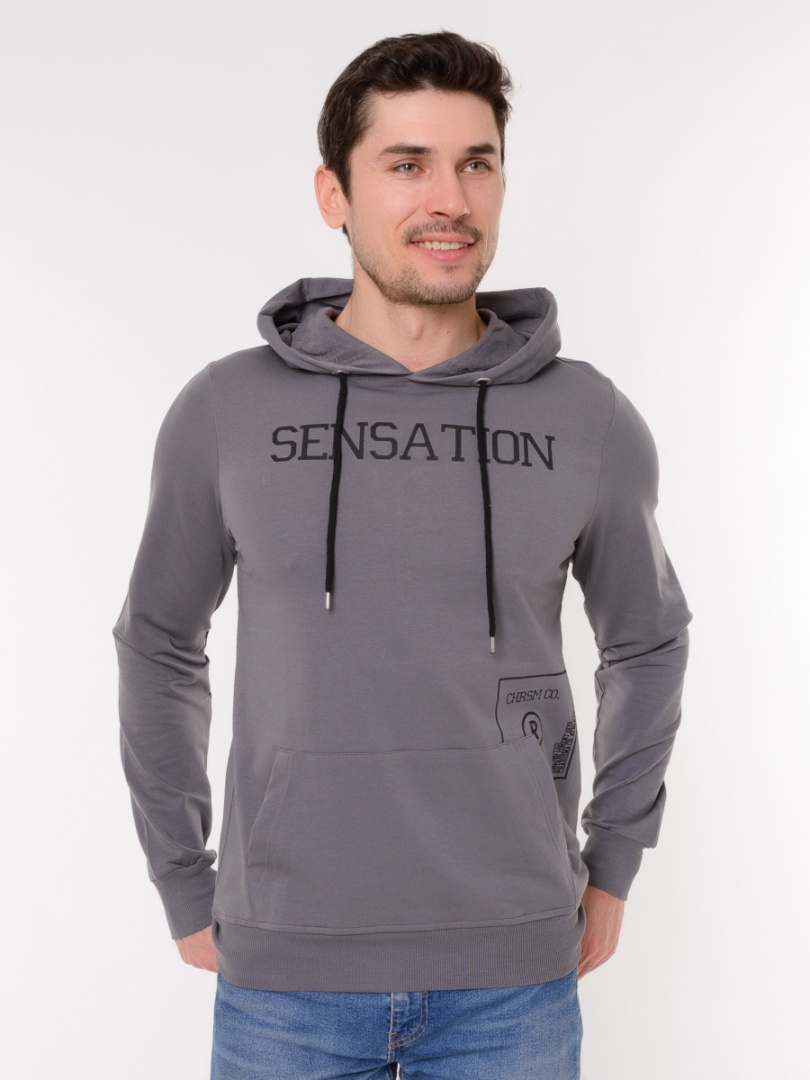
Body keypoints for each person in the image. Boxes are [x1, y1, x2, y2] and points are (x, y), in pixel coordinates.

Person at [113, 30, 691, 1080]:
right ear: (333, 194)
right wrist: (181, 876)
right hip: (284, 978)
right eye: (408, 164)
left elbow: (647, 643)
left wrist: (614, 858)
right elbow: (157, 642)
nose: (450, 200)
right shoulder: (226, 410)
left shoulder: (588, 419)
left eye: (477, 163)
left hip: (513, 978)